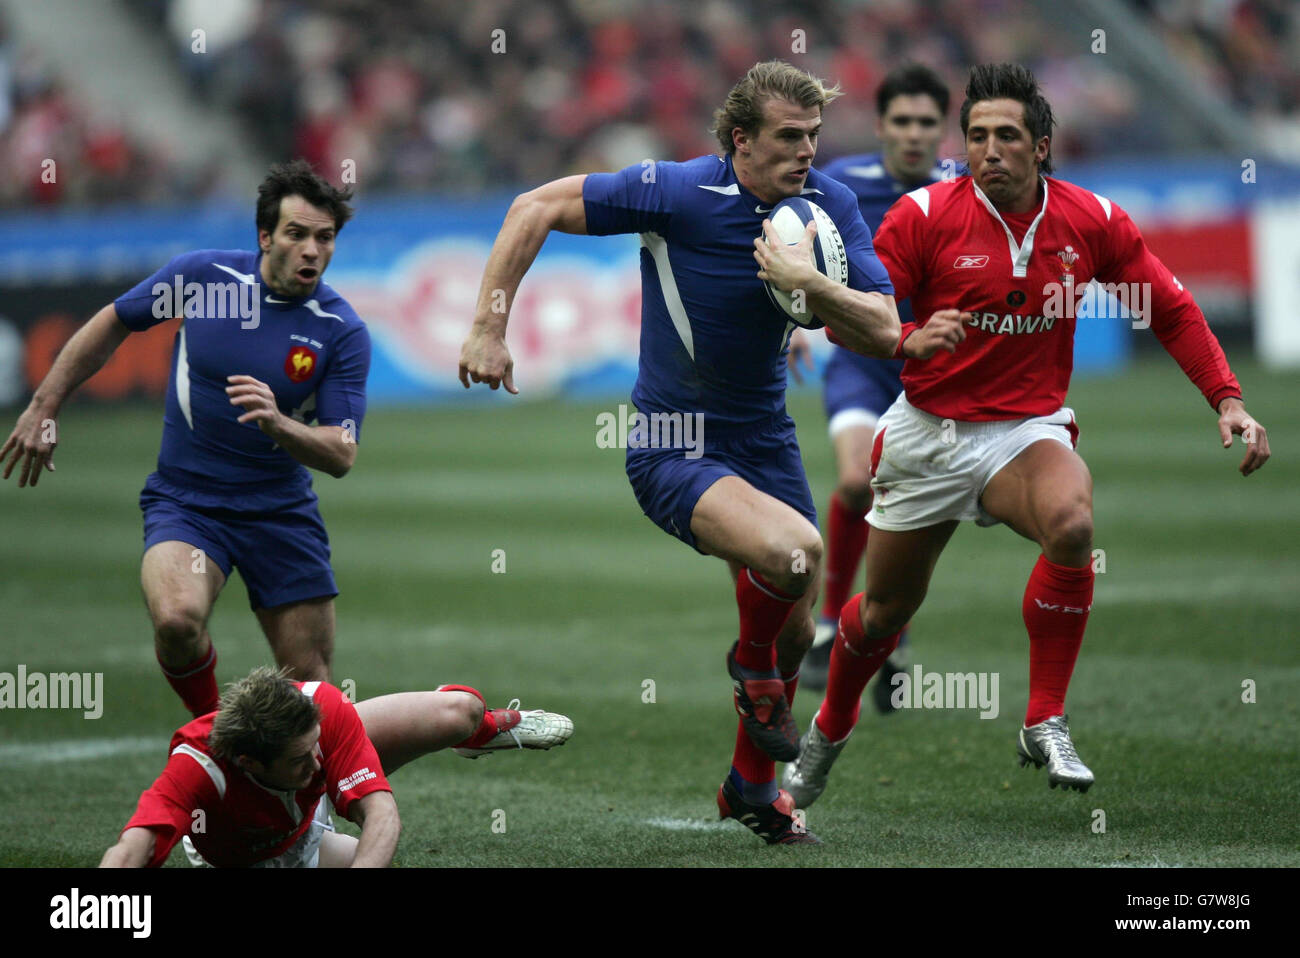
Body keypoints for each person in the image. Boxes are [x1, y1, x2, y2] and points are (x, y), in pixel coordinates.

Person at [783, 62, 1271, 809]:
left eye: (1006, 135)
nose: (988, 150)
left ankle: (1044, 717)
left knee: (1072, 524)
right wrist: (904, 335)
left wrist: (1227, 398)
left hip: (1025, 430)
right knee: (884, 612)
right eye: (975, 136)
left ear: (1042, 146)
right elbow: (865, 312)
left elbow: (1169, 307)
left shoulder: (1094, 221)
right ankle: (830, 725)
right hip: (928, 435)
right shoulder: (921, 215)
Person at [459, 61, 900, 845]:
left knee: (798, 630)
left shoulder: (827, 205)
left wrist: (810, 287)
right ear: (740, 141)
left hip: (767, 439)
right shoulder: (676, 191)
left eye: (814, 137)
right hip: (674, 443)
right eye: (789, 138)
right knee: (797, 554)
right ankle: (751, 670)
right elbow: (535, 206)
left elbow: (883, 326)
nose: (808, 153)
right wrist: (490, 327)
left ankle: (750, 789)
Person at [2, 160, 370, 718]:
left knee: (312, 684)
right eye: (297, 235)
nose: (312, 251)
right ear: (266, 236)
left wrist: (279, 423)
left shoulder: (339, 328)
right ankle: (211, 732)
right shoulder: (206, 280)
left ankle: (312, 801)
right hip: (188, 501)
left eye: (325, 238)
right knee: (176, 621)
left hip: (281, 511)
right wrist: (44, 405)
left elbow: (341, 453)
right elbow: (114, 321)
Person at [797, 63, 952, 709]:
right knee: (860, 482)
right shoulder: (839, 186)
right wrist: (793, 319)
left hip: (935, 369)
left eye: (927, 123)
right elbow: (784, 237)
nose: (914, 134)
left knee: (908, 501)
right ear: (881, 124)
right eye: (902, 121)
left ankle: (891, 632)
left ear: (943, 129)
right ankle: (831, 622)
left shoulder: (965, 187)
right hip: (862, 359)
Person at [99, 666, 574, 867]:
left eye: (314, 746)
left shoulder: (318, 713)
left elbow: (381, 812)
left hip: (299, 801)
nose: (318, 762)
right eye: (301, 758)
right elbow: (130, 850)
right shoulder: (197, 768)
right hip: (262, 853)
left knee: (460, 712)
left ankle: (481, 732)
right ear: (248, 761)